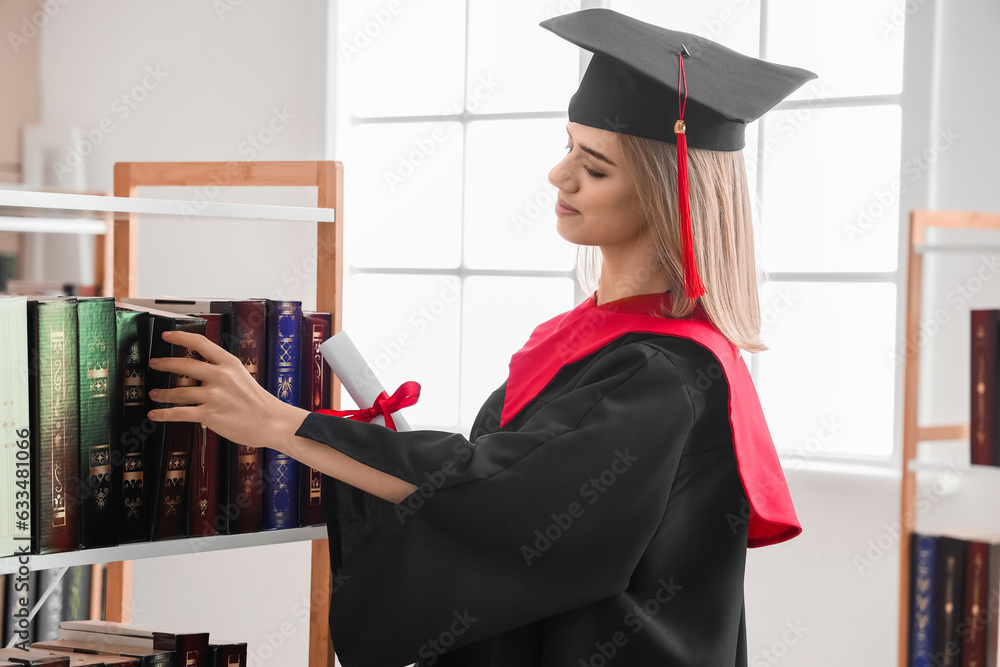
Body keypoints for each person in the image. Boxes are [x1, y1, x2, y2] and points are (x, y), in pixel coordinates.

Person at [146, 8, 816, 666]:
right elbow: (498, 494)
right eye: (567, 147)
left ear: (670, 196)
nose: (560, 176)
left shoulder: (664, 373)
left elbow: (504, 500)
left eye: (597, 165)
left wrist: (284, 423)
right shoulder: (589, 340)